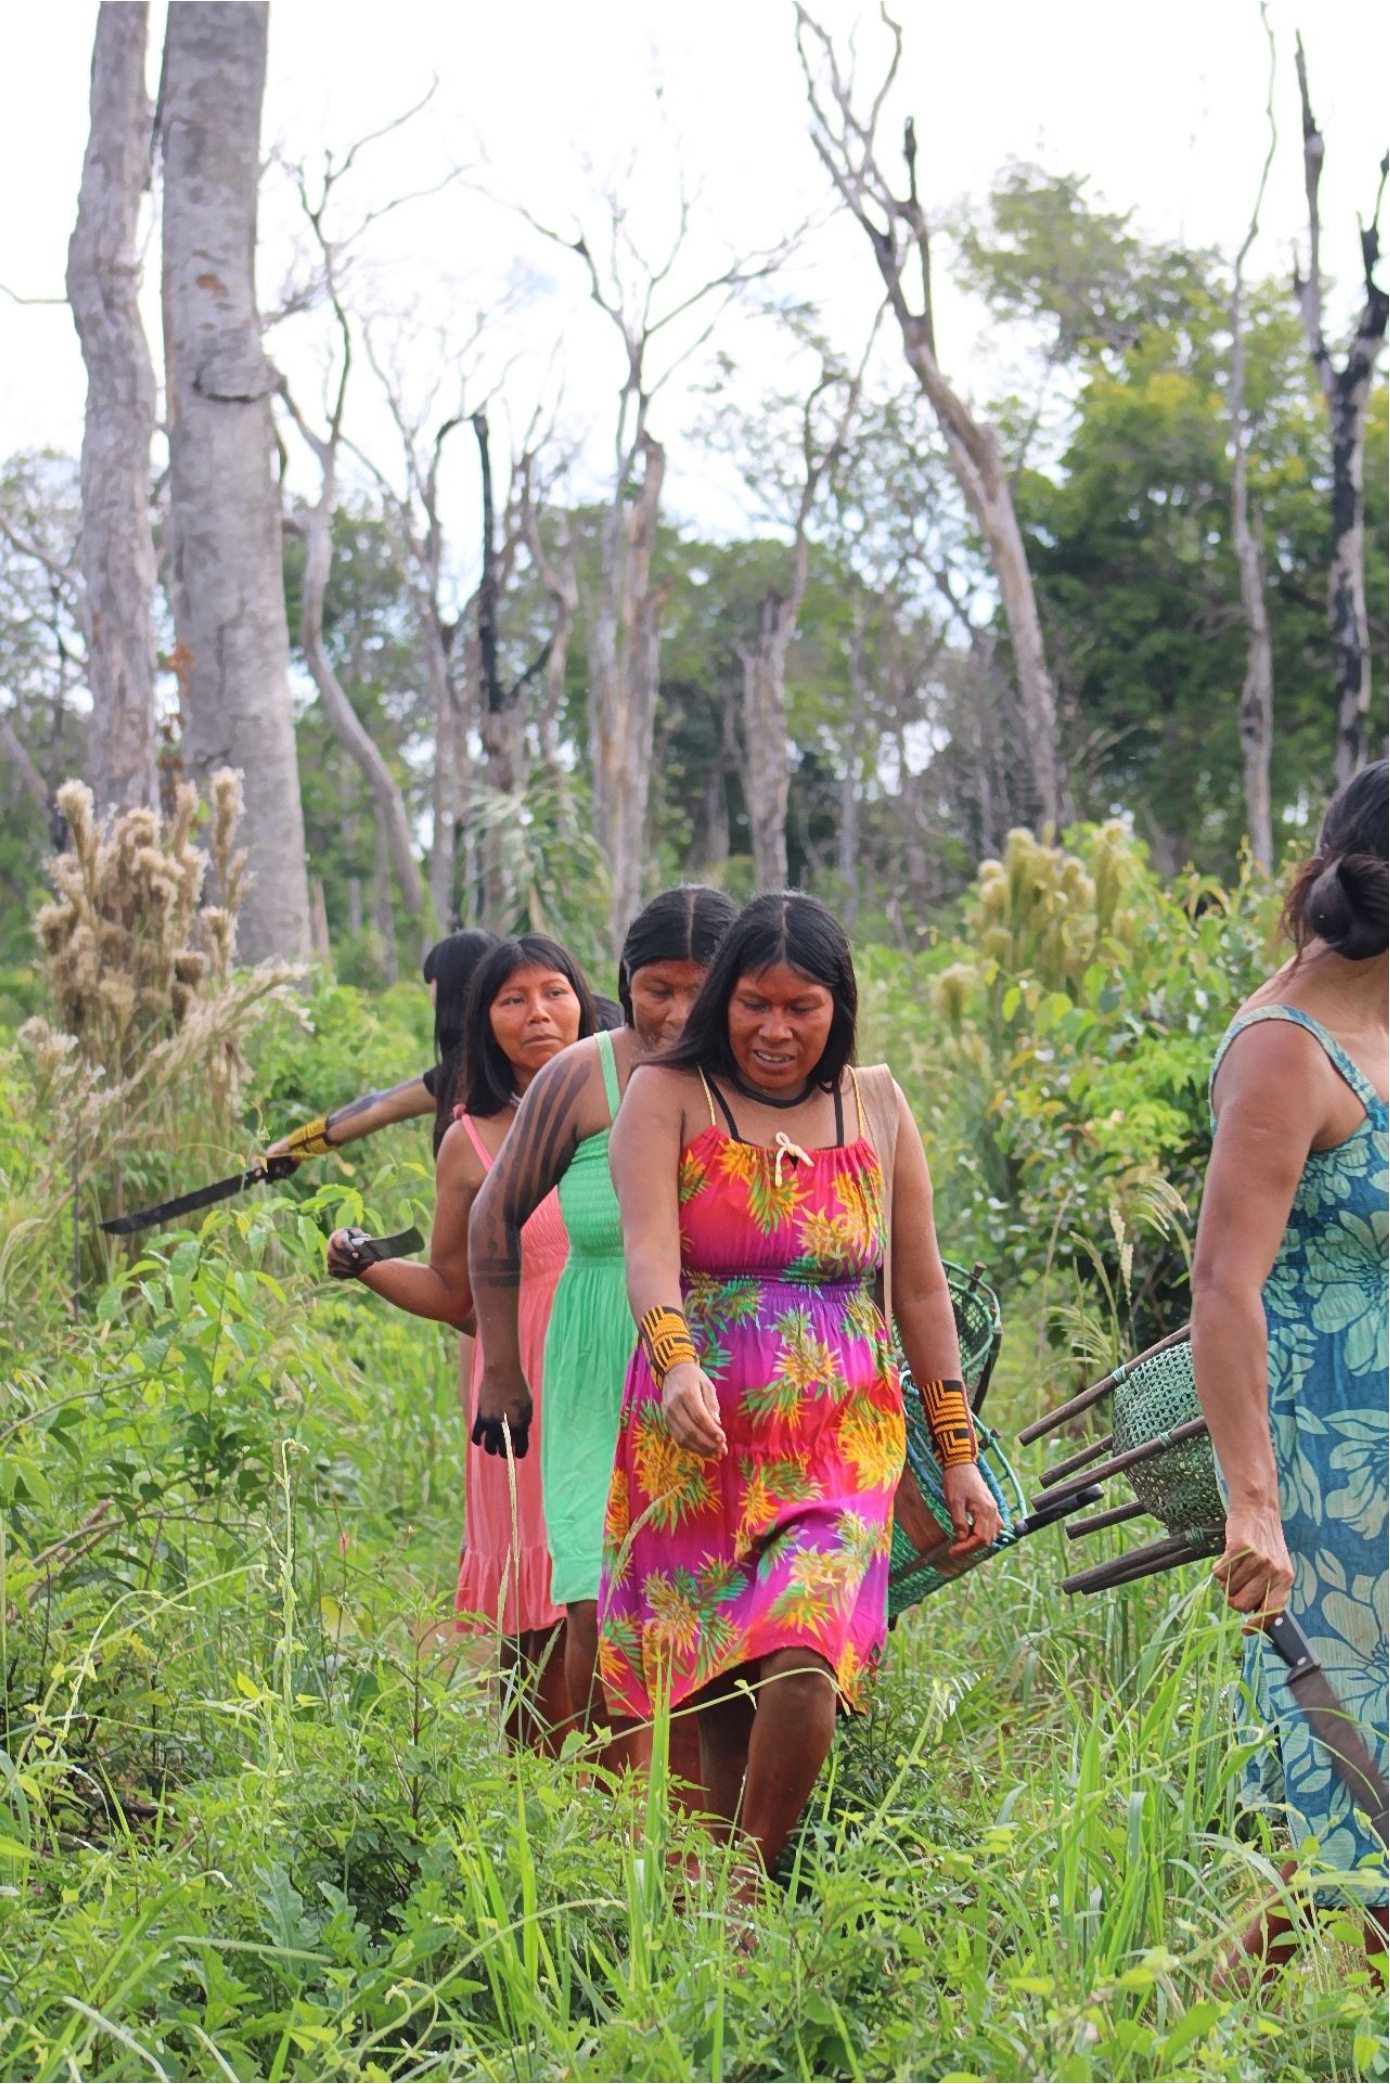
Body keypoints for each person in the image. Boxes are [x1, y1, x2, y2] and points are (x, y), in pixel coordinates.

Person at [595, 891, 1002, 1883]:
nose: (774, 1029)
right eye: (754, 1004)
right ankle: (702, 1920)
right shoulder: (666, 1093)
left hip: (838, 1440)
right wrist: (675, 1360)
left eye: (801, 1007)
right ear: (723, 1002)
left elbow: (920, 1290)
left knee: (805, 1649)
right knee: (709, 1684)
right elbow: (648, 1255)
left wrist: (957, 1453)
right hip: (694, 1435)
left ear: (839, 1007)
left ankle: (747, 1880)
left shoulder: (876, 1104)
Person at [1192, 760, 1388, 1980]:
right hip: (1332, 1479)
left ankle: (1183, 2034)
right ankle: (1174, 2037)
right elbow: (1223, 1283)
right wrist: (1253, 1502)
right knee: (1342, 1816)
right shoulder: (1285, 1045)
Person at [468, 885, 738, 1763]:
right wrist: (502, 1372)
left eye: (700, 989)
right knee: (596, 1594)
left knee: (715, 1607)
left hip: (725, 1362)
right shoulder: (582, 1076)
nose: (678, 1013)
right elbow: (493, 1213)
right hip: (597, 1365)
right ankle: (607, 1814)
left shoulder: (760, 1073)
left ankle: (705, 1815)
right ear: (624, 981)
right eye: (657, 989)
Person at [329, 932, 597, 1748]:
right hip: (518, 1390)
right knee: (534, 1608)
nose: (538, 1014)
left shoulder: (629, 1108)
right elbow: (453, 1292)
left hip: (615, 1375)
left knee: (615, 1585)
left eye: (553, 992)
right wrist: (366, 1264)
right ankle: (534, 1788)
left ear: (583, 1001)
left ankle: (625, 1785)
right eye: (513, 1000)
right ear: (484, 1022)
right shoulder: (470, 1139)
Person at [267, 929, 499, 1165]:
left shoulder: (486, 1073)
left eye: (434, 982)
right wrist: (297, 1146)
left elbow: (378, 1108)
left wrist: (294, 1146)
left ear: (452, 990)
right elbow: (378, 1107)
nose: (431, 993)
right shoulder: (459, 1073)